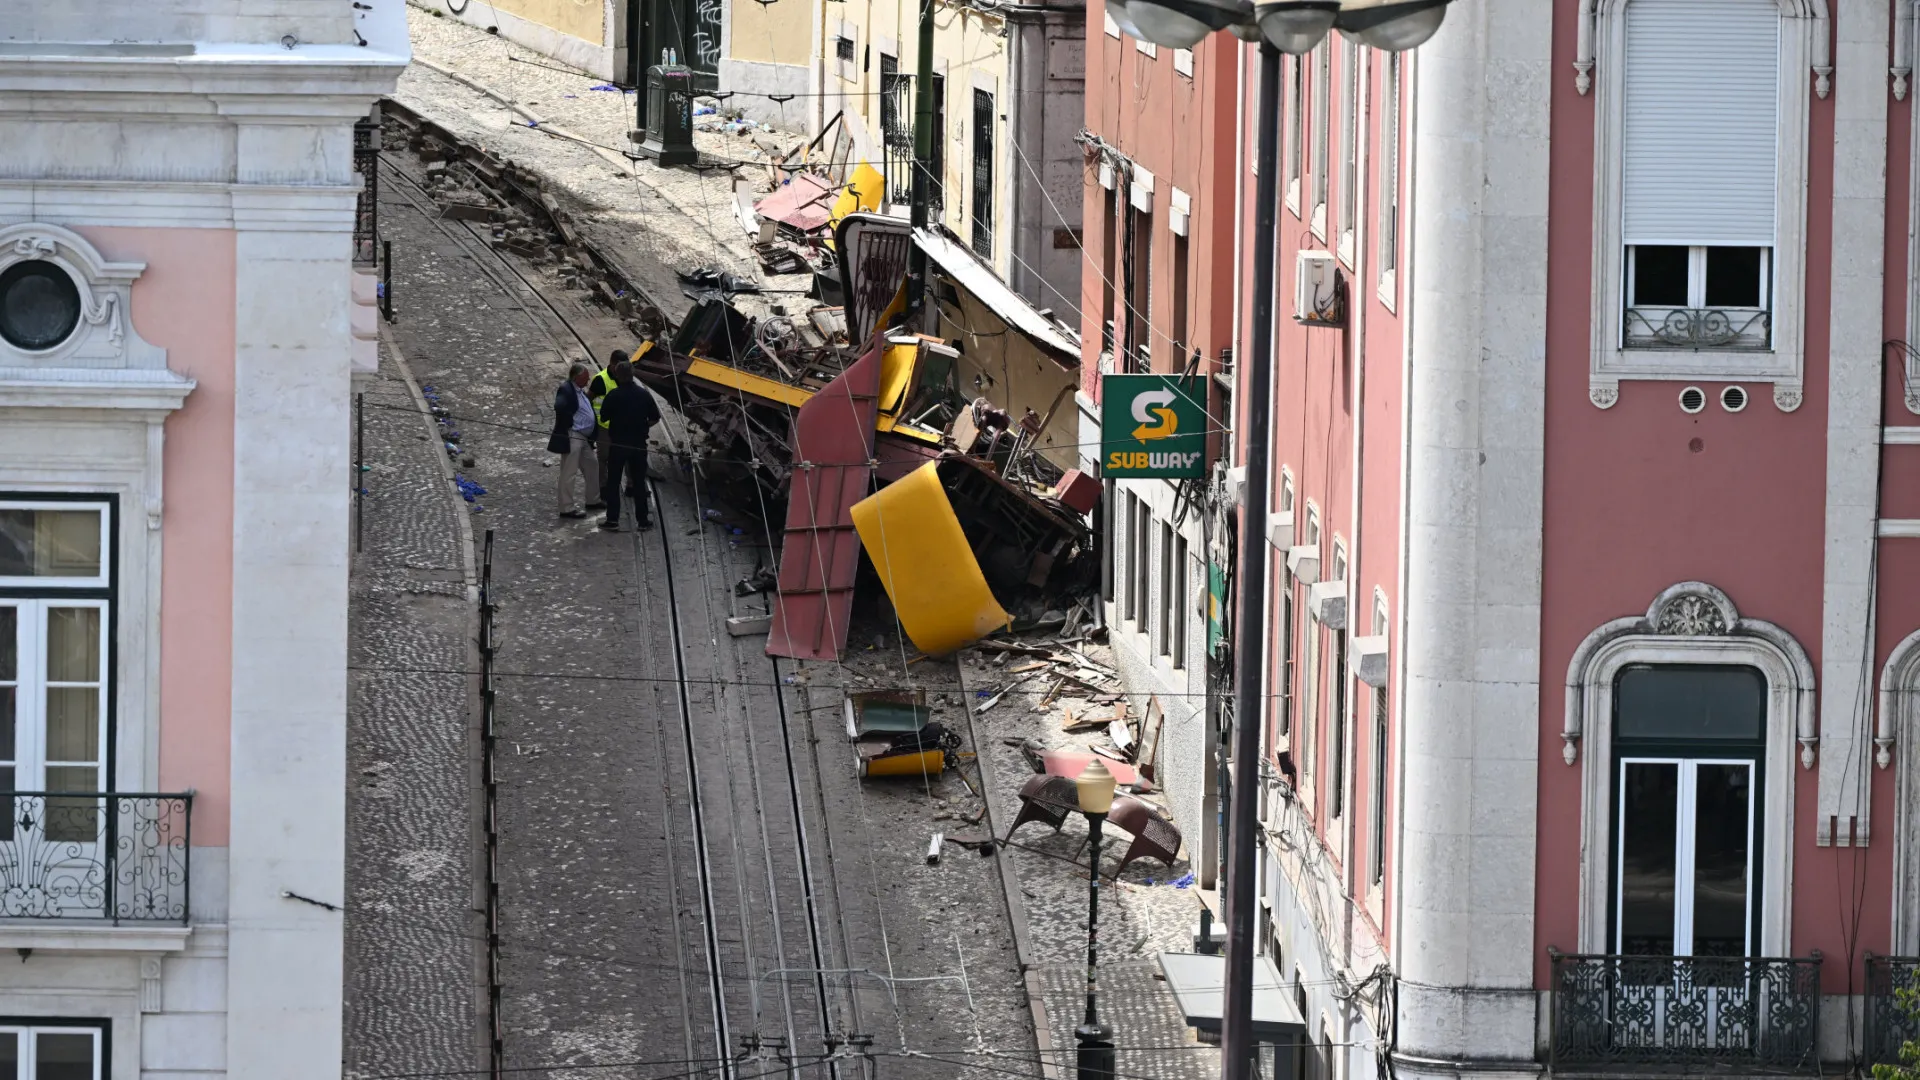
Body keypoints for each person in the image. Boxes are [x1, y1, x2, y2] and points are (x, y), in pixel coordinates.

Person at [598, 360, 662, 531]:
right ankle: (642, 521)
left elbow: (603, 417)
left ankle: (612, 520)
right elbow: (655, 417)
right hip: (638, 445)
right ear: (632, 374)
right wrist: (642, 427)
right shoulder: (644, 394)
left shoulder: (613, 395)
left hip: (618, 445)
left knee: (613, 482)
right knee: (639, 483)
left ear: (618, 376)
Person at [549, 362, 601, 519]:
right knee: (569, 471)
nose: (588, 379)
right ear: (577, 377)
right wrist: (569, 424)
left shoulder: (579, 390)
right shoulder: (566, 389)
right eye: (586, 377)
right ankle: (566, 507)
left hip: (583, 437)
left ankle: (593, 499)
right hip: (573, 435)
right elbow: (560, 406)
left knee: (592, 464)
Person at [589, 350, 623, 492]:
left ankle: (624, 484)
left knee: (622, 456)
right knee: (603, 457)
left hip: (620, 426)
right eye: (618, 367)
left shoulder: (624, 376)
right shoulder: (600, 380)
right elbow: (588, 399)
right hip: (604, 427)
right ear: (612, 363)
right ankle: (602, 486)